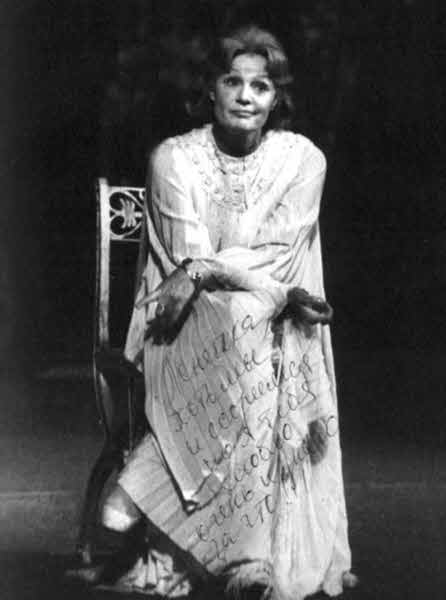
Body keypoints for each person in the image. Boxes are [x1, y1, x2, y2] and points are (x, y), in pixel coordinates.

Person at [77, 24, 357, 599]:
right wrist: (208, 274)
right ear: (210, 89)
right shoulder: (174, 159)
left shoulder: (303, 160)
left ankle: (147, 483)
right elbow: (185, 262)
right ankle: (246, 559)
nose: (246, 96)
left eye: (261, 85)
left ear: (277, 98)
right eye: (233, 81)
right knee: (241, 313)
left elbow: (277, 256)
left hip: (270, 332)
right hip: (179, 330)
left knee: (249, 313)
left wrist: (209, 271)